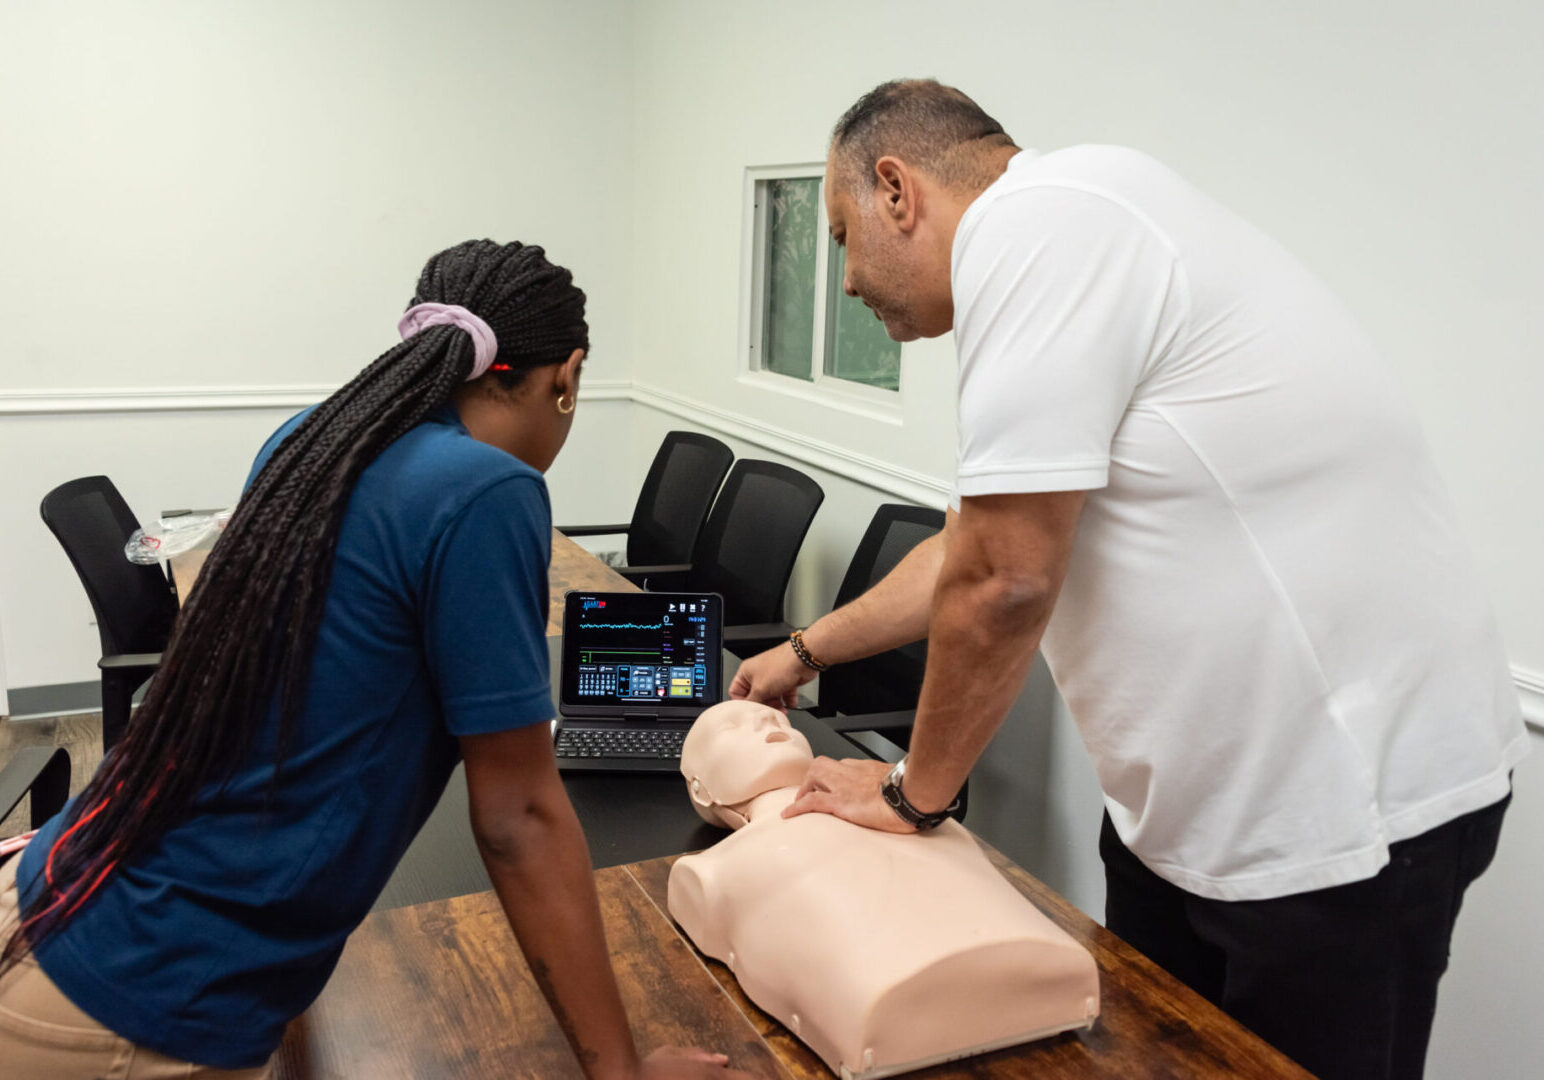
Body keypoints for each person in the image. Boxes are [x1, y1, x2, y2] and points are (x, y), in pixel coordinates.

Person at [729, 80, 1526, 1080]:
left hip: (1341, 810)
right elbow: (969, 551)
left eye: (842, 235)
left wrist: (910, 799)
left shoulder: (1043, 225)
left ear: (896, 190)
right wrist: (800, 653)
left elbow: (1005, 584)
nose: (843, 282)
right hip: (1190, 805)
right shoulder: (1066, 235)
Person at [0, 240, 756, 1080]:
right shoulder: (489, 491)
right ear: (566, 377)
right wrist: (622, 1074)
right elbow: (519, 820)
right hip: (138, 998)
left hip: (63, 890)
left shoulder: (313, 438)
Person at [666, 700, 1099, 1078]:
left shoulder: (905, 812)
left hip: (1044, 965)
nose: (768, 726)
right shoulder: (712, 872)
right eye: (733, 727)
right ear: (701, 790)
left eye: (773, 719)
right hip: (889, 1006)